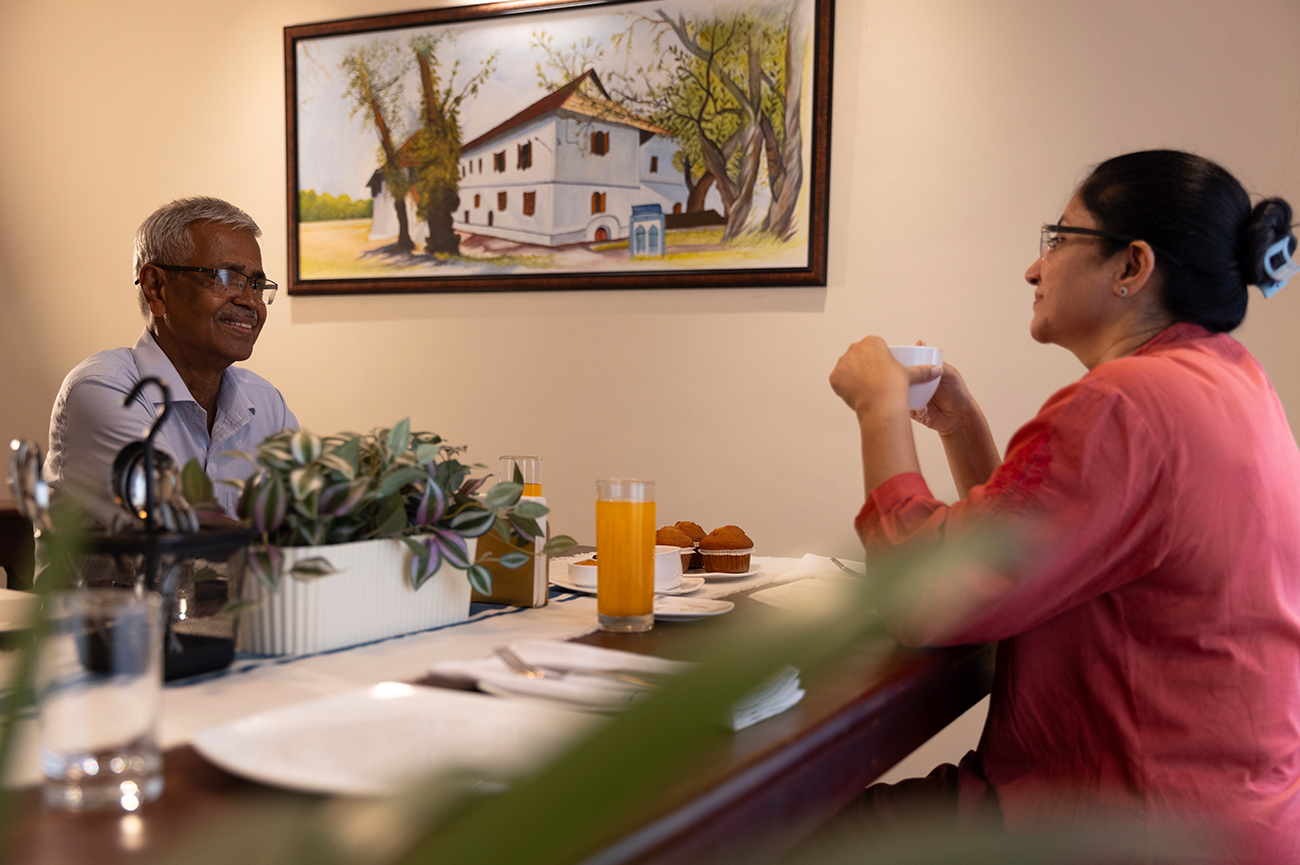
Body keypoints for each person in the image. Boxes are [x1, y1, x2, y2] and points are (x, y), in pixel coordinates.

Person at [828, 150, 1300, 862]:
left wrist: (879, 407)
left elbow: (923, 601)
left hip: (1118, 823)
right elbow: (1042, 556)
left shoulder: (1125, 404)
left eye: (1058, 238)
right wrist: (962, 426)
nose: (1033, 268)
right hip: (1234, 818)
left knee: (781, 831)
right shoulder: (1233, 381)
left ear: (1131, 266)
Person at [45, 197, 297, 528]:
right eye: (225, 277)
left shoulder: (267, 404)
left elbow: (311, 514)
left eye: (256, 284)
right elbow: (176, 529)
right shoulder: (103, 389)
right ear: (156, 288)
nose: (251, 301)